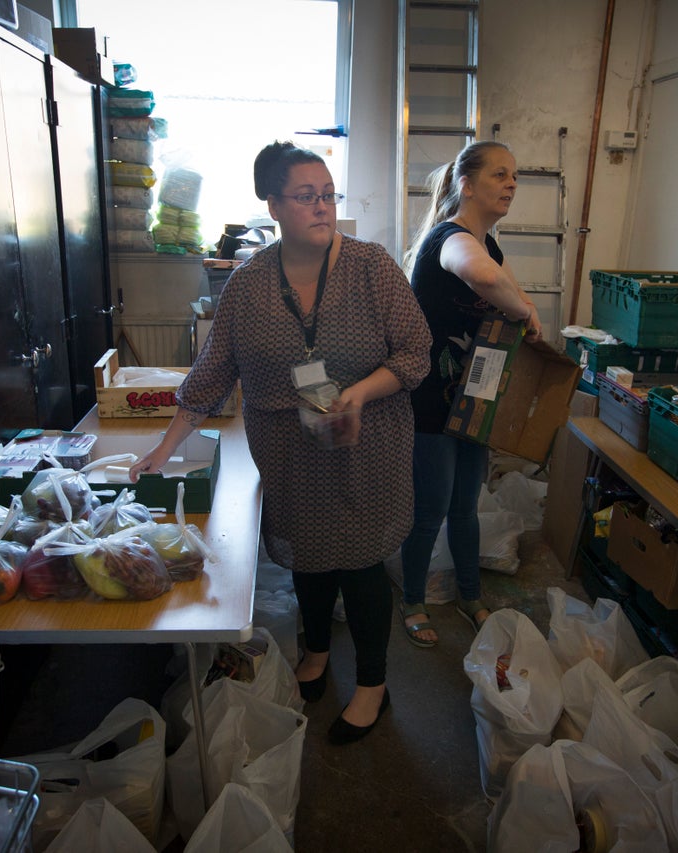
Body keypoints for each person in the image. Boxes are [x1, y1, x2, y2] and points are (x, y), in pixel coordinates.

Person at [129, 141, 431, 744]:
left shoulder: (373, 269)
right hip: (290, 452)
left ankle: (372, 684)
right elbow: (212, 374)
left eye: (328, 196)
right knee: (307, 558)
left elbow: (415, 353)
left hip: (365, 444)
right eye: (305, 197)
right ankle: (315, 653)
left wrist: (359, 394)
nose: (322, 207)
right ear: (273, 204)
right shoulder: (247, 285)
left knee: (362, 563)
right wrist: (162, 452)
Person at [398, 140, 542, 648]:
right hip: (432, 400)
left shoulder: (490, 244)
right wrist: (525, 309)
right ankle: (413, 600)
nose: (511, 185)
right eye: (500, 175)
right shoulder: (450, 239)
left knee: (466, 507)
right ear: (466, 184)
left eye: (514, 177)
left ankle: (470, 594)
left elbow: (500, 279)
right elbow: (480, 274)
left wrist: (522, 304)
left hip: (475, 398)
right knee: (431, 509)